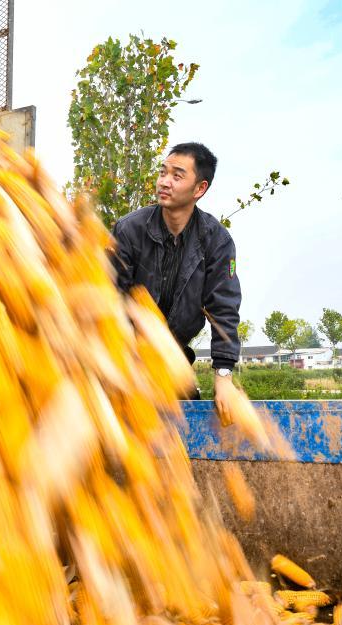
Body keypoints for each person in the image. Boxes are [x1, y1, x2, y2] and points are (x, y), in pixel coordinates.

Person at [110, 142, 241, 426]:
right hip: (123, 357)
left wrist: (223, 375)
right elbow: (110, 297)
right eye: (163, 172)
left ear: (199, 189)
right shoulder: (129, 230)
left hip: (173, 360)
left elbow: (224, 308)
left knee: (188, 425)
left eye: (177, 176)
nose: (164, 182)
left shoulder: (217, 242)